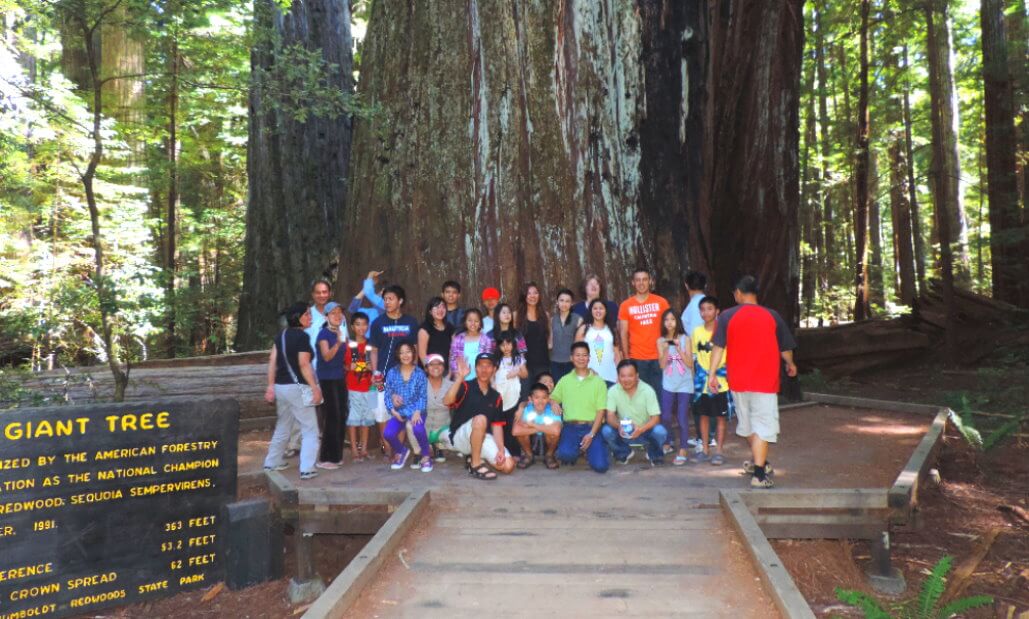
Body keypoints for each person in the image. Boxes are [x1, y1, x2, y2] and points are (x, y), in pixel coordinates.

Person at [708, 275, 797, 489]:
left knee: (747, 425)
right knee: (763, 426)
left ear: (739, 293)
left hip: (738, 380)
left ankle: (760, 464)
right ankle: (759, 474)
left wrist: (712, 374)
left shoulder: (727, 316)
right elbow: (785, 348)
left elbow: (718, 347)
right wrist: (790, 364)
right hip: (765, 381)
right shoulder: (772, 316)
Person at [264, 302, 322, 481]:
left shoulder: (281, 336)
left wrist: (270, 385)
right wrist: (314, 387)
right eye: (307, 314)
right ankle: (307, 468)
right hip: (297, 388)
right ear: (298, 318)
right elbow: (304, 364)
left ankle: (272, 462)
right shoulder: (302, 337)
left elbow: (272, 361)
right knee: (310, 428)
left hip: (281, 388)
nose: (310, 317)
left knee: (283, 425)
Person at [443, 354, 517, 480]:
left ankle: (473, 456)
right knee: (481, 419)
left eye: (488, 366)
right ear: (475, 368)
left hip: (482, 438)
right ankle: (475, 464)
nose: (484, 369)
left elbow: (497, 426)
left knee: (508, 466)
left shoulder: (496, 396)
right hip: (460, 437)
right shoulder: (465, 386)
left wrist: (500, 449)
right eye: (480, 366)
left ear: (494, 369)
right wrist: (460, 377)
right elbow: (447, 401)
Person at [369, 285, 419, 457]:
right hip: (382, 377)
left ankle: (398, 450)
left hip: (404, 376)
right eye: (385, 299)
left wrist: (414, 372)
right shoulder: (377, 323)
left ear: (400, 301)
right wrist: (374, 372)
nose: (387, 302)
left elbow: (415, 349)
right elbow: (374, 350)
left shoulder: (411, 322)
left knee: (401, 413)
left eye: (390, 299)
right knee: (382, 413)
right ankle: (388, 447)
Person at [551, 342, 609, 473]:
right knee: (566, 455)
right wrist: (553, 402)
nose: (581, 358)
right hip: (571, 427)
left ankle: (591, 449)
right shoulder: (565, 380)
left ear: (589, 358)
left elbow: (601, 411)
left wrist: (591, 434)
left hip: (591, 427)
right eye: (577, 355)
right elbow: (553, 397)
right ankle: (581, 450)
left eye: (584, 355)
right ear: (571, 358)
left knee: (601, 467)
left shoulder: (599, 382)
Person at [601, 360, 668, 466]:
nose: (626, 379)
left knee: (660, 431)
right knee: (606, 430)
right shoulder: (613, 391)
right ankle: (623, 453)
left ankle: (654, 454)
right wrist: (619, 426)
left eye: (630, 376)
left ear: (637, 376)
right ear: (618, 377)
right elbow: (610, 416)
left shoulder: (648, 390)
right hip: (623, 432)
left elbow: (656, 418)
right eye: (623, 376)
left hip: (645, 431)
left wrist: (641, 429)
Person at [618, 268, 670, 395]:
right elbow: (623, 332)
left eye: (644, 279)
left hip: (659, 356)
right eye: (638, 280)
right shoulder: (626, 305)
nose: (641, 283)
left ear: (650, 281)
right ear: (633, 283)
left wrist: (669, 352)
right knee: (641, 396)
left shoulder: (661, 302)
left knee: (661, 395)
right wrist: (626, 358)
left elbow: (670, 327)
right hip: (637, 358)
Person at [382, 343, 432, 472]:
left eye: (408, 351)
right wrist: (393, 410)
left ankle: (426, 455)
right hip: (399, 411)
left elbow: (423, 395)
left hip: (416, 410)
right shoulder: (392, 372)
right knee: (388, 433)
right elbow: (387, 393)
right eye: (401, 352)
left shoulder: (420, 373)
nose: (405, 355)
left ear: (413, 353)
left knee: (418, 429)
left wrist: (417, 411)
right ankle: (401, 451)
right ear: (398, 355)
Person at [692, 296, 729, 465]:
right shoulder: (696, 332)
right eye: (702, 309)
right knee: (704, 415)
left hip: (721, 382)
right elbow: (695, 356)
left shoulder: (723, 332)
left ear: (717, 311)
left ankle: (719, 451)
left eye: (710, 308)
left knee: (720, 417)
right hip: (702, 383)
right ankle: (705, 449)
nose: (706, 312)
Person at [657, 309, 693, 465]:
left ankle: (683, 448)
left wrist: (679, 349)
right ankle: (668, 441)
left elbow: (690, 363)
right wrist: (666, 349)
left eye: (672, 319)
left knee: (682, 417)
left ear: (677, 321)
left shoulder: (686, 339)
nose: (669, 322)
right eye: (666, 320)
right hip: (668, 383)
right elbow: (662, 365)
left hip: (684, 383)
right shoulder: (660, 341)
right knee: (665, 416)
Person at [315, 302, 348, 470]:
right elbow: (326, 356)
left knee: (342, 414)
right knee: (332, 416)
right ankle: (325, 458)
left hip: (340, 377)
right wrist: (339, 343)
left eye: (339, 312)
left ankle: (336, 456)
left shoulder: (341, 332)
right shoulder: (323, 334)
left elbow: (344, 358)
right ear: (326, 316)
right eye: (333, 313)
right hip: (327, 378)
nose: (337, 316)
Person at [680, 270, 710, 449]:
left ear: (686, 285)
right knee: (709, 394)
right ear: (705, 285)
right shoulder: (709, 304)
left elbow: (691, 337)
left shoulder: (692, 308)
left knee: (699, 397)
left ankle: (704, 436)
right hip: (712, 355)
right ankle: (707, 435)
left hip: (698, 358)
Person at [345, 312, 377, 462]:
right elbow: (348, 366)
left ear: (368, 326)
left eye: (364, 324)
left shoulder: (371, 345)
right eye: (357, 324)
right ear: (352, 327)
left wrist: (359, 366)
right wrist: (364, 366)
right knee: (353, 420)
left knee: (367, 419)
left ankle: (364, 449)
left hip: (371, 388)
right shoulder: (349, 345)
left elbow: (371, 366)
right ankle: (354, 450)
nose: (361, 327)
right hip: (353, 388)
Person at [492, 331, 528, 462]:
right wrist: (493, 386)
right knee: (501, 425)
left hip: (513, 396)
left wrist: (517, 371)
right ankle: (503, 451)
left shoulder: (518, 359)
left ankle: (515, 452)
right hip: (500, 396)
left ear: (513, 344)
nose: (506, 347)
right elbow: (492, 376)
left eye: (508, 344)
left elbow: (525, 375)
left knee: (512, 424)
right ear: (498, 347)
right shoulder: (496, 360)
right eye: (502, 345)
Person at [513, 382, 562, 469]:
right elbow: (515, 431)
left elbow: (556, 431)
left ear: (548, 399)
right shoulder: (526, 410)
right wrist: (544, 428)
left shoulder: (553, 409)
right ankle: (528, 455)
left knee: (553, 434)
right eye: (536, 398)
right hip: (532, 439)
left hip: (548, 441)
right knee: (522, 431)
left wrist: (532, 424)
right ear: (530, 399)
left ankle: (549, 455)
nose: (540, 401)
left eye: (544, 398)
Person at [575, 299, 621, 386]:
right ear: (591, 311)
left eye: (601, 308)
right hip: (588, 377)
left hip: (611, 377)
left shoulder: (611, 330)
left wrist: (620, 373)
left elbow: (617, 355)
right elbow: (576, 355)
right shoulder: (583, 329)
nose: (598, 311)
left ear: (606, 311)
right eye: (595, 308)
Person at [514, 282, 550, 389]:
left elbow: (549, 338)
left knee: (542, 394)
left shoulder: (545, 315)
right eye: (529, 293)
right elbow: (513, 340)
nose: (532, 296)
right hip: (524, 365)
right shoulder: (516, 315)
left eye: (535, 293)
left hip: (542, 364)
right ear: (524, 296)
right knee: (525, 394)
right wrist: (520, 363)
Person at [424, 354, 454, 462]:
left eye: (439, 364)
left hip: (443, 428)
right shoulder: (420, 384)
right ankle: (425, 448)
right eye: (432, 364)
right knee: (412, 427)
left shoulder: (451, 385)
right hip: (425, 428)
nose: (436, 367)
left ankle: (439, 446)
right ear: (426, 368)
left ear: (443, 367)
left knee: (454, 443)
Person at [549, 289, 582, 380]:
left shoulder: (578, 319)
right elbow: (550, 342)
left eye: (567, 301)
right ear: (557, 302)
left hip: (572, 362)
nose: (564, 304)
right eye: (561, 300)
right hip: (555, 362)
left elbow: (581, 342)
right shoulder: (552, 320)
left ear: (572, 303)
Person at [449, 309, 484, 381]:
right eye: (470, 320)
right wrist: (457, 376)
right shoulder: (458, 339)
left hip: (480, 379)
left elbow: (489, 360)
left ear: (480, 323)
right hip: (462, 379)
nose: (473, 323)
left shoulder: (486, 340)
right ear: (465, 322)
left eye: (476, 321)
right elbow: (453, 358)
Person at [418, 296, 454, 363]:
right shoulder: (425, 328)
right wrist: (428, 367)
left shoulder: (450, 328)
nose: (440, 310)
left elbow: (453, 351)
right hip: (429, 367)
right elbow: (422, 354)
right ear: (430, 311)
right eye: (437, 307)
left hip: (446, 367)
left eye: (443, 307)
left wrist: (450, 368)